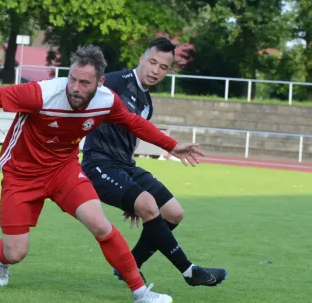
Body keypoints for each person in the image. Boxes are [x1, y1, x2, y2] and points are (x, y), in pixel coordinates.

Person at [0, 45, 205, 303]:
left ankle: (140, 293)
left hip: (64, 171)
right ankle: (0, 259)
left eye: (85, 83)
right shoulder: (41, 94)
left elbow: (135, 124)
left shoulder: (107, 100)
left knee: (100, 223)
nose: (76, 87)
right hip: (21, 175)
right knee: (16, 251)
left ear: (100, 82)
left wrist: (172, 145)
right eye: (73, 79)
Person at [81, 38, 227, 287]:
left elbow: (131, 141)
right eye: (152, 62)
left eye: (163, 67)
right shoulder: (114, 82)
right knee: (149, 205)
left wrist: (128, 190)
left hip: (125, 166)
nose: (155, 70)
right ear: (142, 58)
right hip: (99, 164)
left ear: (168, 71)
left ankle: (129, 264)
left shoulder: (147, 103)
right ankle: (189, 271)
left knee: (174, 212)